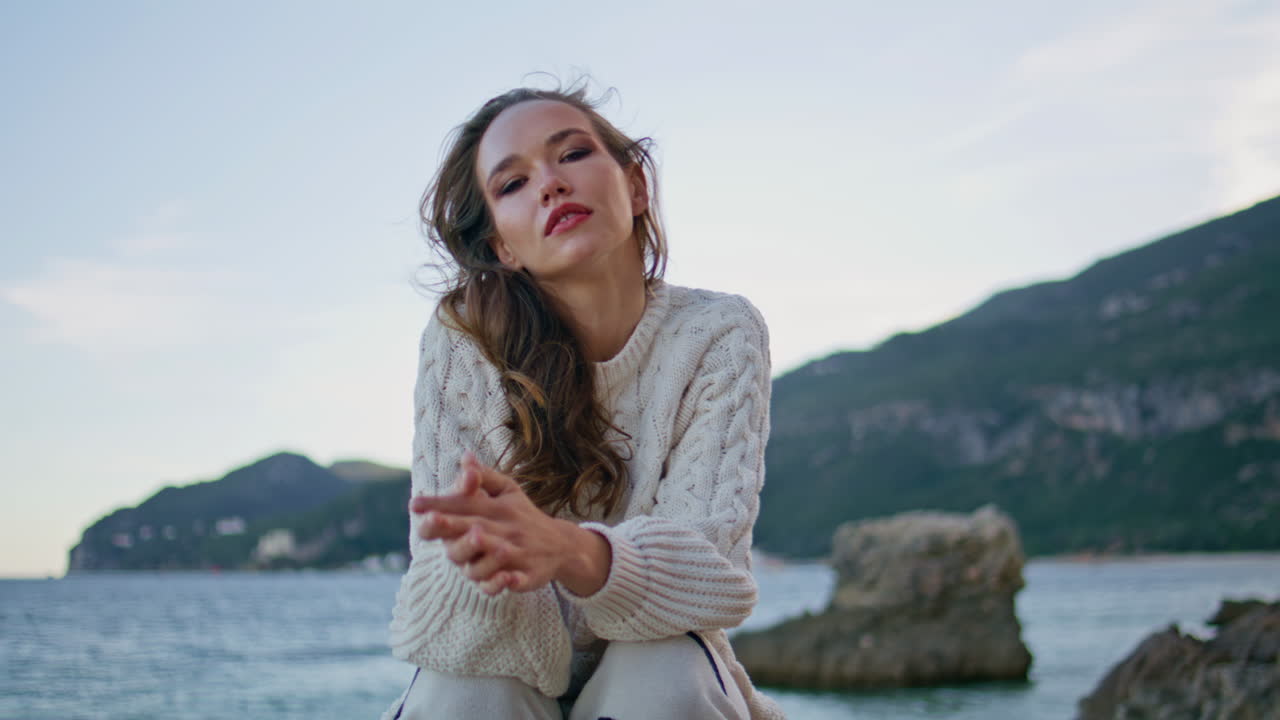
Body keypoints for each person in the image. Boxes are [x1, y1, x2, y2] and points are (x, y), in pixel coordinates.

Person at [382, 80, 785, 720]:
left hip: (661, 670)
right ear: (502, 246)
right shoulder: (463, 339)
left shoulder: (719, 332)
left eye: (571, 153)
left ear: (636, 187)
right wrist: (485, 560)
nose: (550, 184)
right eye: (512, 184)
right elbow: (440, 622)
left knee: (662, 672)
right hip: (503, 672)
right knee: (463, 691)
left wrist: (571, 552)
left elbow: (711, 575)